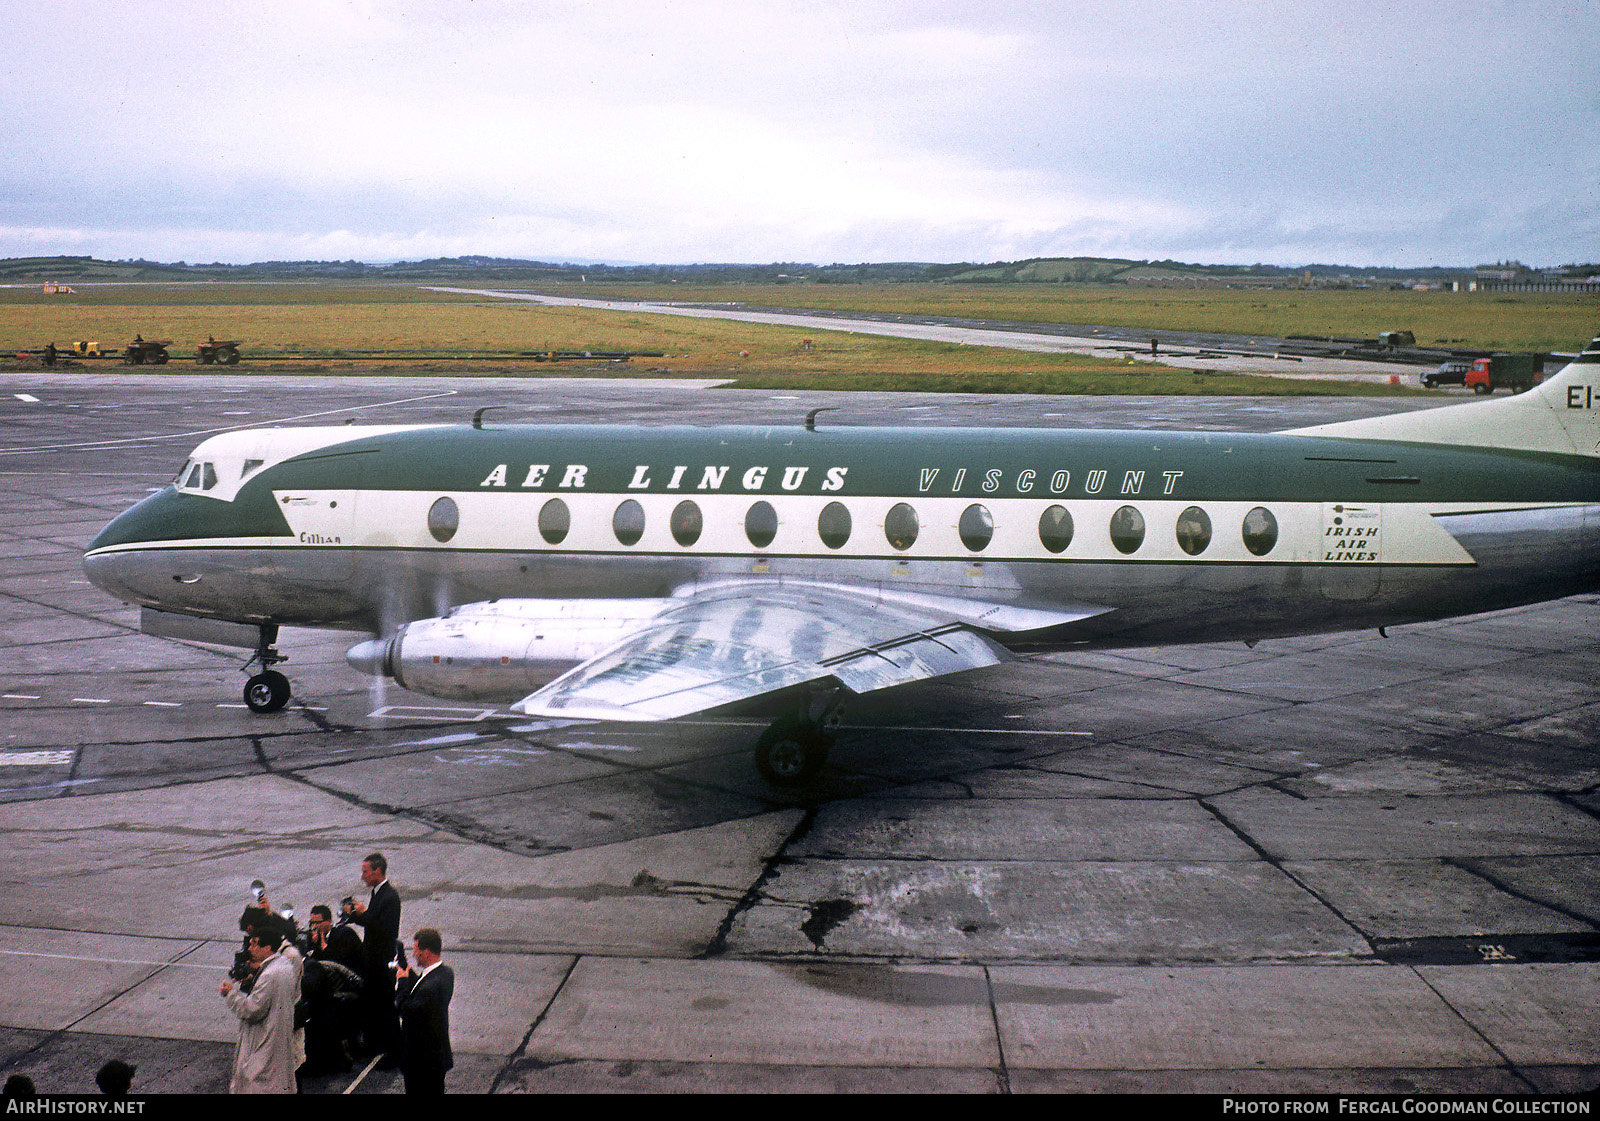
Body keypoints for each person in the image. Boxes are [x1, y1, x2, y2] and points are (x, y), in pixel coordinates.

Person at [220, 928, 300, 1094]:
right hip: (278, 1039)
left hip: (263, 1044)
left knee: (258, 1084)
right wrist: (254, 977)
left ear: (267, 947)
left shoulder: (269, 975)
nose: (250, 949)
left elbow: (251, 1010)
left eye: (254, 945)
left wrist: (230, 994)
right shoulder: (285, 965)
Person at [343, 852, 401, 1062]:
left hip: (382, 961)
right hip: (375, 960)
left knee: (386, 1005)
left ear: (378, 871)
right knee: (375, 1003)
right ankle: (376, 1044)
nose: (362, 877)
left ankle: (394, 1052)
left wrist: (363, 913)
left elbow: (383, 928)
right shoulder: (379, 894)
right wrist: (358, 915)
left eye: (365, 872)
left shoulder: (389, 897)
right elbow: (372, 922)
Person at [302, 904, 364, 1074]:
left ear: (329, 921)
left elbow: (338, 963)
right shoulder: (313, 939)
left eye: (318, 922)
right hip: (329, 985)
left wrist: (322, 946)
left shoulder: (344, 935)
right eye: (312, 923)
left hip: (351, 985)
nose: (314, 927)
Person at [395, 928, 453, 1095]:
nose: (414, 955)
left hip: (422, 1061)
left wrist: (402, 983)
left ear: (426, 952)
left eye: (416, 951)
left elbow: (406, 1009)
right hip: (436, 1056)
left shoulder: (429, 989)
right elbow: (422, 984)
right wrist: (407, 970)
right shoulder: (445, 973)